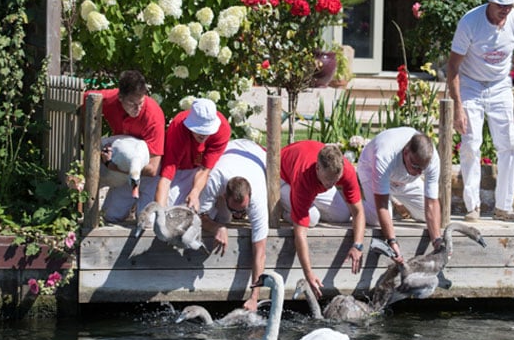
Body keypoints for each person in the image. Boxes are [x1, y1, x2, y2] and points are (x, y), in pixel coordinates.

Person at [446, 0, 514, 222]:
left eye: (510, 5)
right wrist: (458, 106)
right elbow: (453, 66)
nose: (505, 10)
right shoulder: (470, 22)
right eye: (501, 5)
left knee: (511, 146)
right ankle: (472, 206)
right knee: (471, 144)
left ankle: (504, 206)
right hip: (471, 83)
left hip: (500, 85)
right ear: (489, 2)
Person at [279, 141, 365, 298]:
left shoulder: (344, 171)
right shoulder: (303, 177)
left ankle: (303, 205)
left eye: (335, 180)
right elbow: (300, 234)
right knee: (312, 218)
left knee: (343, 215)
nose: (331, 184)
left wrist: (357, 245)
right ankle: (286, 212)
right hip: (283, 177)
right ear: (318, 167)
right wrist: (309, 273)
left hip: (315, 181)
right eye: (328, 180)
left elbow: (358, 211)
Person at [199, 139, 269, 311]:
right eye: (235, 210)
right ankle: (224, 214)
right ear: (224, 194)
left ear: (250, 198)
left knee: (227, 217)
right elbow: (199, 215)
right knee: (222, 217)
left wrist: (254, 297)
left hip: (256, 155)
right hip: (230, 150)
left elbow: (260, 252)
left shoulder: (258, 198)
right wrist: (216, 227)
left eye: (243, 211)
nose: (240, 216)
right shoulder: (215, 179)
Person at [87, 70, 165, 222]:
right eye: (132, 104)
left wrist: (112, 165)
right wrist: (86, 139)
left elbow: (152, 168)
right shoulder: (109, 99)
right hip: (124, 168)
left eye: (141, 103)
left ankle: (138, 204)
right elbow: (84, 101)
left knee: (147, 222)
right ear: (120, 97)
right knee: (109, 216)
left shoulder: (154, 117)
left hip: (148, 172)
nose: (137, 108)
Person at [356, 128, 442, 264]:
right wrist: (392, 241)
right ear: (406, 152)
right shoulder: (385, 154)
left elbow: (431, 203)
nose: (419, 173)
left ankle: (396, 200)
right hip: (370, 170)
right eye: (415, 166)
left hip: (404, 180)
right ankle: (354, 204)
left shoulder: (432, 160)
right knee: (377, 220)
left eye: (422, 169)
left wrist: (437, 241)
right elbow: (382, 205)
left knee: (426, 216)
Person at [154, 98, 231, 210]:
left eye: (207, 131)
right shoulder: (178, 126)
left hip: (202, 171)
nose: (203, 135)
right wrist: (159, 214)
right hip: (179, 169)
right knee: (166, 209)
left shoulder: (222, 129)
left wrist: (195, 192)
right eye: (199, 130)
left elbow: (205, 169)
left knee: (221, 216)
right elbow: (167, 175)